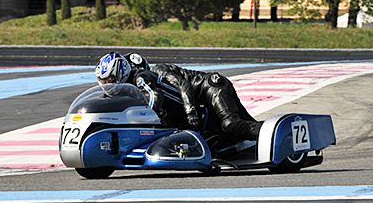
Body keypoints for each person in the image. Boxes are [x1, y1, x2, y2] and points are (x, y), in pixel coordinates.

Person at [95, 52, 262, 140]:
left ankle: (270, 133)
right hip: (198, 98)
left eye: (110, 79)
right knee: (238, 128)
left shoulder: (155, 72)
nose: (108, 84)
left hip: (210, 87)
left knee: (231, 124)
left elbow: (184, 85)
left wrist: (191, 113)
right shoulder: (136, 86)